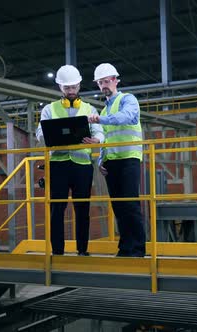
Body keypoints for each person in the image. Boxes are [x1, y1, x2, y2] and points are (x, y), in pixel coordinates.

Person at [36, 64, 104, 256]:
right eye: (67, 88)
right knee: (57, 208)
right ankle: (57, 251)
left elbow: (99, 130)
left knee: (82, 209)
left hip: (82, 165)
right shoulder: (49, 109)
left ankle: (82, 250)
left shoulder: (89, 108)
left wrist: (98, 139)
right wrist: (46, 137)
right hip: (57, 165)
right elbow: (40, 131)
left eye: (73, 87)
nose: (71, 91)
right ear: (60, 88)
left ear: (79, 85)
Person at [87, 63, 146, 257]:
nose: (103, 85)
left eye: (106, 81)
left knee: (130, 204)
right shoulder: (103, 112)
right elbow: (106, 137)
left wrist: (99, 120)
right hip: (111, 163)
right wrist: (101, 160)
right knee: (119, 207)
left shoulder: (127, 100)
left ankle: (137, 249)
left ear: (115, 80)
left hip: (129, 158)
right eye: (100, 82)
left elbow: (126, 117)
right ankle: (125, 248)